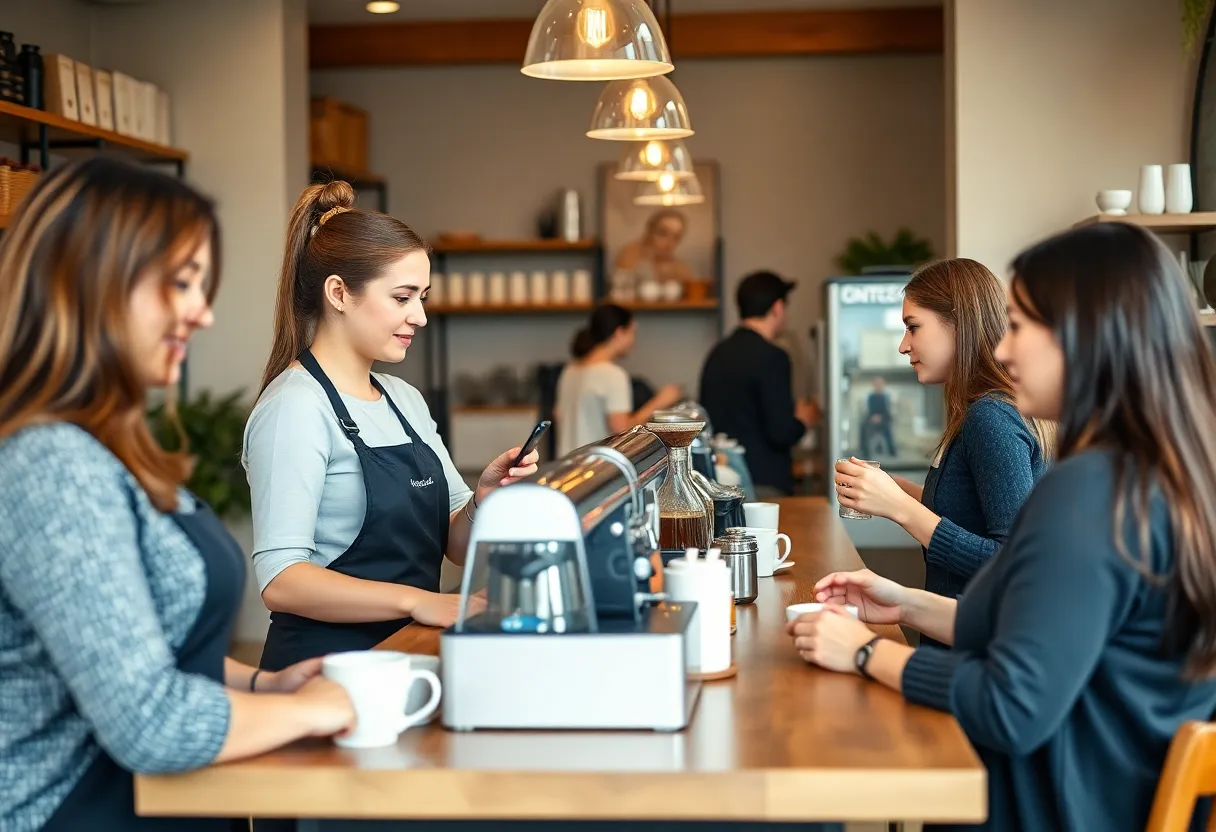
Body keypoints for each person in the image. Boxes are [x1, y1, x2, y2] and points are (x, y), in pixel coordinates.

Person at [791, 223, 1216, 831]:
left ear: (1087, 336)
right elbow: (1045, 632)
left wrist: (863, 654)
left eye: (1020, 327)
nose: (1005, 350)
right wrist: (906, 603)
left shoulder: (1088, 491)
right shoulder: (1158, 478)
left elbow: (1011, 705)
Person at [0, 158, 355, 830]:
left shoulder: (103, 445)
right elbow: (149, 723)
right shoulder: (51, 463)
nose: (203, 312)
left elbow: (130, 644)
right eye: (180, 284)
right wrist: (317, 709)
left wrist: (262, 684)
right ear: (95, 283)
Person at [244, 180, 539, 673]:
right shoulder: (295, 407)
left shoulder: (404, 400)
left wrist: (483, 499)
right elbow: (282, 581)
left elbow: (455, 546)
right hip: (328, 670)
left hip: (409, 654)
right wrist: (416, 601)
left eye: (421, 297)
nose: (419, 316)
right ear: (338, 293)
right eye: (402, 297)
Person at [834, 259, 1050, 610]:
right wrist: (902, 492)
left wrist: (901, 508)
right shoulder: (979, 409)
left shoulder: (990, 416)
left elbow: (1013, 563)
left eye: (913, 327)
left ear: (958, 325)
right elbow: (976, 511)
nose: (903, 345)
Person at [699, 270, 818, 497]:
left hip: (722, 480)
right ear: (777, 308)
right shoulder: (773, 357)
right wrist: (804, 420)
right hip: (763, 483)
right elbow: (780, 432)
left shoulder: (717, 353)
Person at [554, 303, 683, 455]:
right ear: (619, 333)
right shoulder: (612, 374)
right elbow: (623, 432)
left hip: (567, 467)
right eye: (632, 332)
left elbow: (558, 415)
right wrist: (660, 402)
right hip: (596, 469)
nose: (634, 342)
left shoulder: (570, 371)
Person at [612, 208, 699, 283]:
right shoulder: (630, 254)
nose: (669, 242)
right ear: (650, 232)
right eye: (663, 233)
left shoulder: (676, 265)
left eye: (676, 237)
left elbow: (693, 287)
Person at [861, 376, 896, 457]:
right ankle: (864, 452)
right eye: (876, 384)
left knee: (888, 428)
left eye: (880, 384)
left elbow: (889, 411)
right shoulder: (870, 397)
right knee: (863, 427)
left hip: (884, 419)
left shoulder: (887, 397)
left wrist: (881, 417)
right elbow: (869, 410)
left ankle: (892, 452)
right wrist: (873, 417)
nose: (878, 386)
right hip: (872, 419)